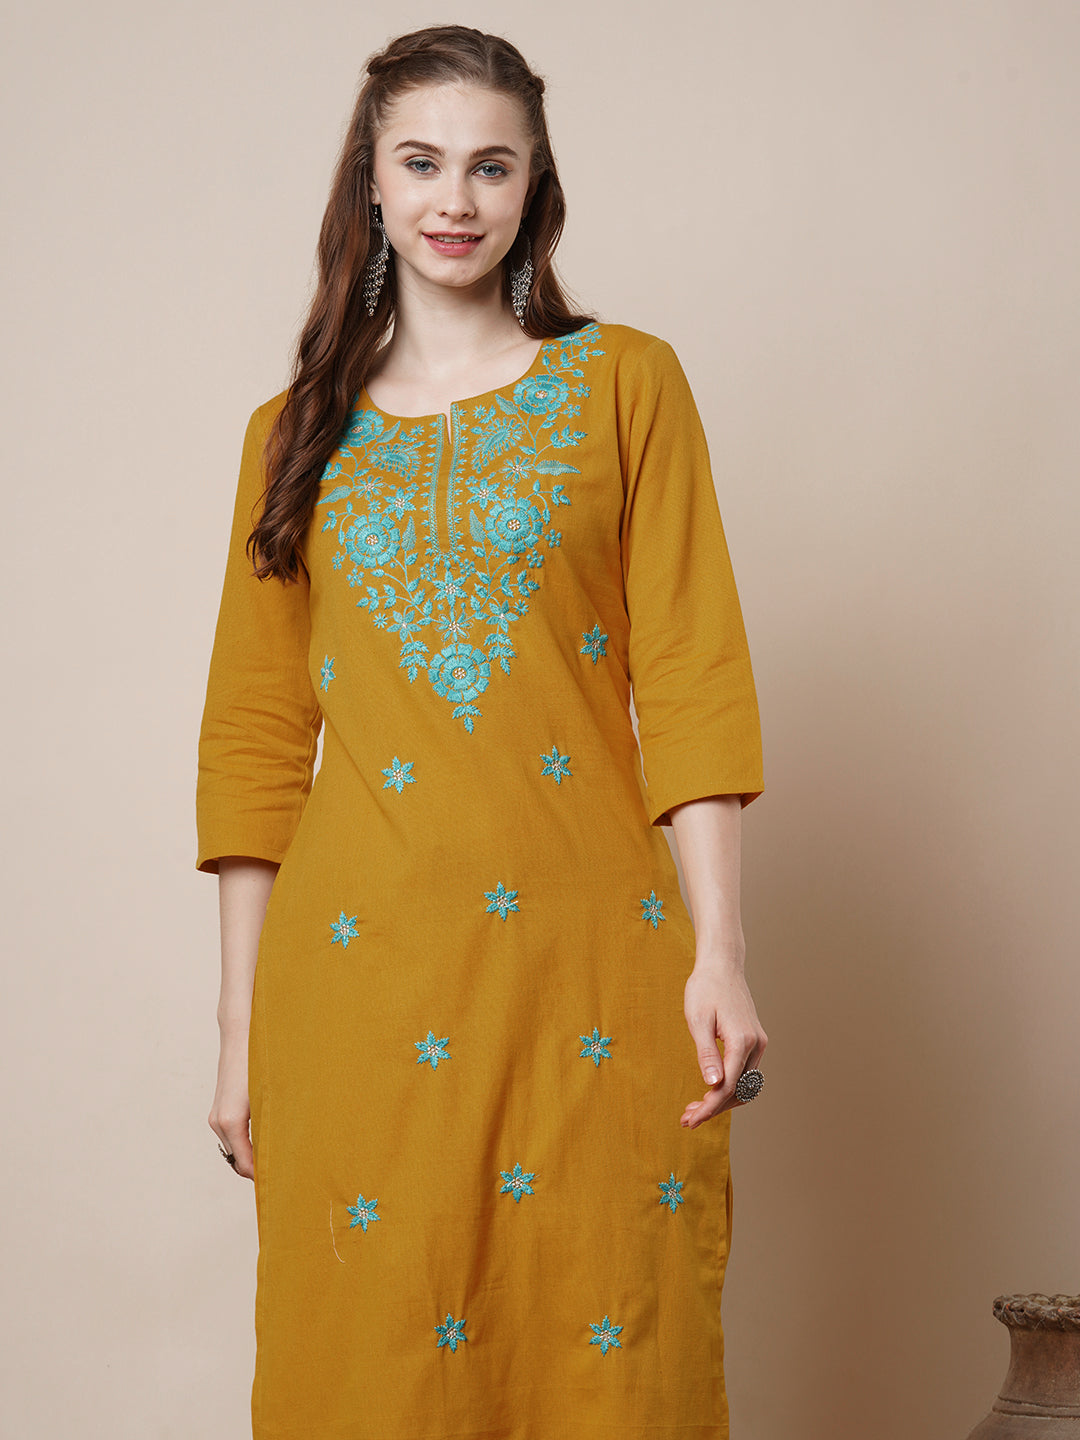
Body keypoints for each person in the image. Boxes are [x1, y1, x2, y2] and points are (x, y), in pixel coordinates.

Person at [196, 22, 766, 1439]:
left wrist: (721, 953)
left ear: (534, 187)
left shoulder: (625, 384)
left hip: (592, 966)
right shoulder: (292, 438)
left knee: (610, 1349)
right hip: (357, 980)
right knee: (375, 1367)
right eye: (423, 162)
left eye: (491, 166)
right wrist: (239, 1026)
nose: (455, 198)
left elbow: (690, 673)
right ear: (371, 182)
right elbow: (256, 740)